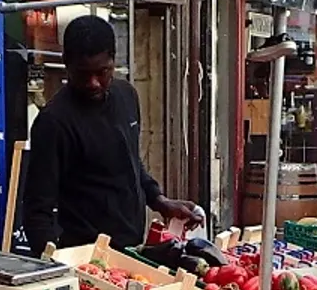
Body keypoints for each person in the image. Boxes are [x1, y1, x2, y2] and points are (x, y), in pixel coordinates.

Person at [23, 15, 203, 255]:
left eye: (102, 71)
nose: (94, 83)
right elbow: (37, 209)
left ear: (113, 60)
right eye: (83, 74)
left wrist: (159, 201)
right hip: (87, 256)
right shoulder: (53, 122)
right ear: (66, 63)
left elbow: (130, 161)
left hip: (133, 248)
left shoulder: (126, 95)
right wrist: (52, 265)